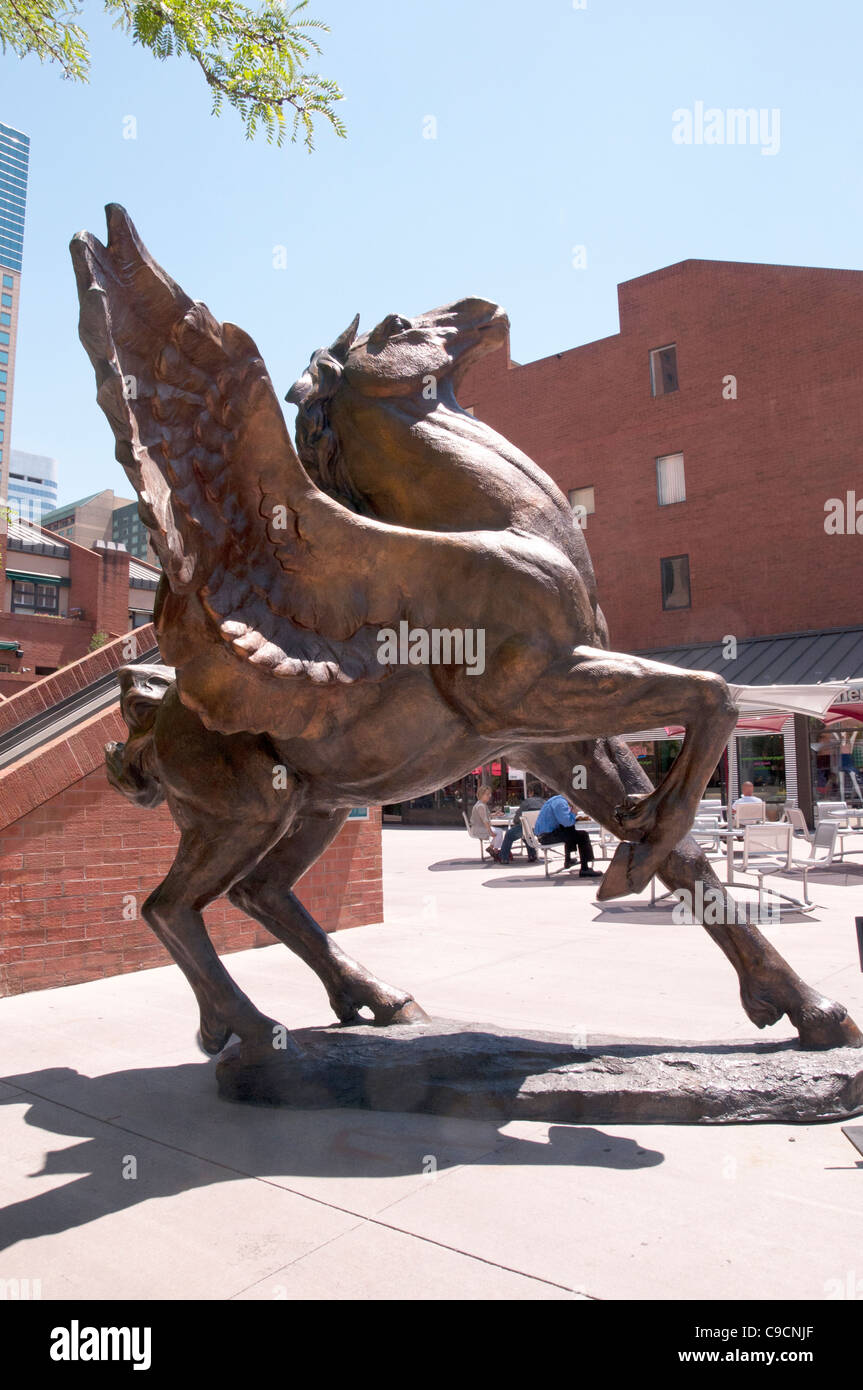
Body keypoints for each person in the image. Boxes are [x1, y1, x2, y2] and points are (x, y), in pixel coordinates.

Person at [533, 794, 601, 877]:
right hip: (546, 837)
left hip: (544, 835)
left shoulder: (556, 800)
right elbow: (567, 822)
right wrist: (573, 813)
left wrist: (571, 815)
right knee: (583, 835)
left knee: (570, 832)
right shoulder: (560, 803)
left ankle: (568, 860)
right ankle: (585, 869)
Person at [498, 793, 543, 864]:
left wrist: (516, 824)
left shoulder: (527, 802)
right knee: (527, 835)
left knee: (509, 835)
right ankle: (532, 855)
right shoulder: (544, 803)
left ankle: (504, 858)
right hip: (540, 829)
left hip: (526, 829)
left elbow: (516, 819)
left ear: (531, 792)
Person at [469, 786, 504, 859]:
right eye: (487, 794)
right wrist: (490, 831)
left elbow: (486, 816)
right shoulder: (481, 806)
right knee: (499, 832)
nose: (490, 796)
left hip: (479, 827)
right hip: (478, 829)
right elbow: (485, 820)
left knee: (499, 831)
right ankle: (495, 850)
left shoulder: (482, 804)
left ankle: (492, 848)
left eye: (490, 794)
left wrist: (495, 814)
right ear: (481, 795)